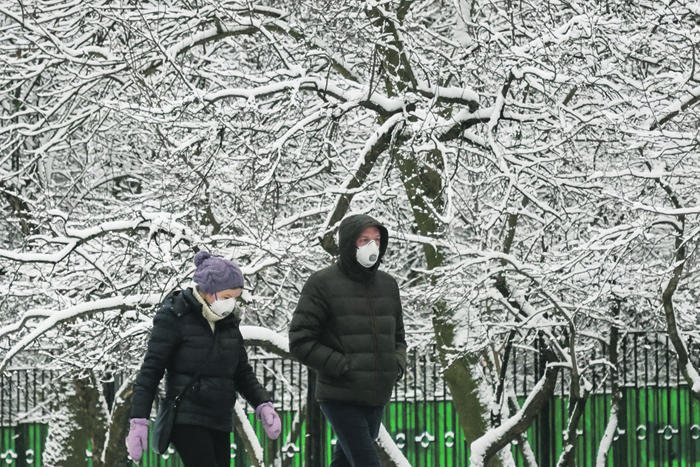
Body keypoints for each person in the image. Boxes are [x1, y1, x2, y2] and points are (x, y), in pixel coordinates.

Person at [126, 251, 281, 466]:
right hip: (187, 416)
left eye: (235, 297)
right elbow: (151, 370)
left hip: (219, 417)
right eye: (227, 297)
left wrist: (263, 403)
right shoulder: (175, 317)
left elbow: (241, 372)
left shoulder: (228, 324)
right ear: (208, 291)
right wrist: (139, 420)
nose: (231, 303)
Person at [289, 214, 407, 467]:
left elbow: (398, 336)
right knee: (367, 462)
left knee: (344, 462)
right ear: (348, 244)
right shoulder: (322, 283)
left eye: (376, 240)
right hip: (339, 394)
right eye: (364, 240)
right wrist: (342, 366)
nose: (371, 246)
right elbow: (300, 340)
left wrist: (394, 364)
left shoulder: (388, 285)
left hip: (376, 394)